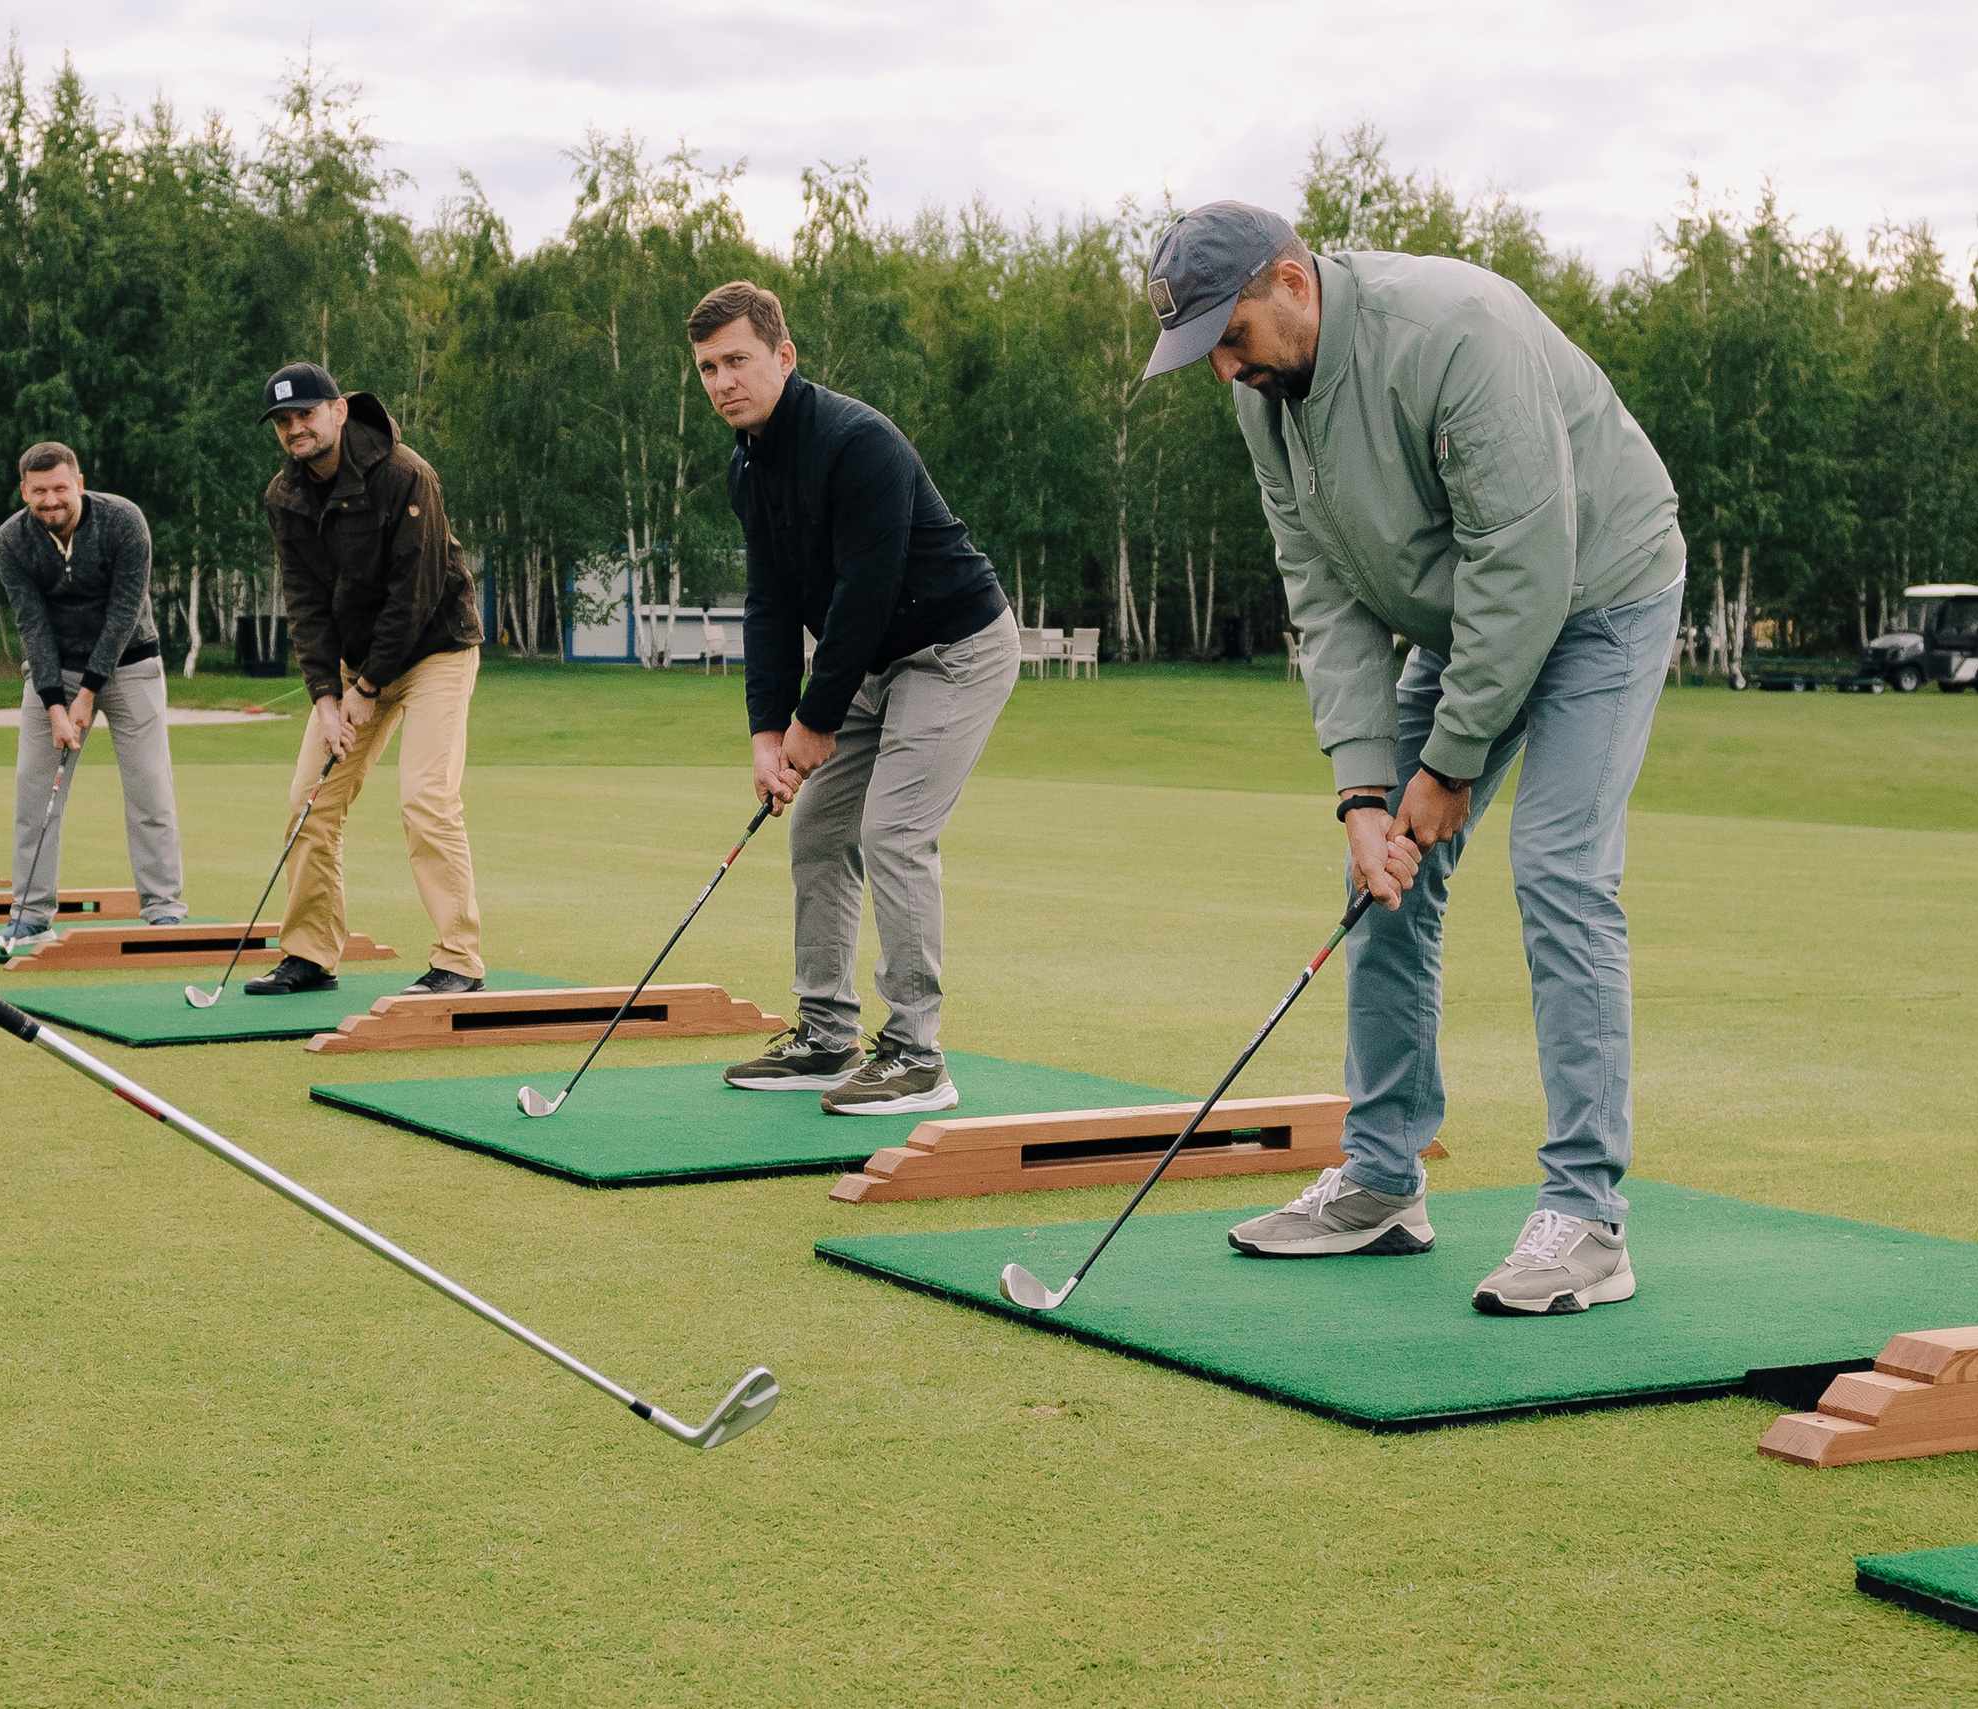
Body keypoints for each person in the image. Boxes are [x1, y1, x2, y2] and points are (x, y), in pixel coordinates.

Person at [1144, 203, 1687, 1316]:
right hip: (1468, 619)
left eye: (1231, 336)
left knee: (1560, 868)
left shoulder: (1454, 332)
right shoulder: (1268, 399)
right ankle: (1383, 1180)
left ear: (1292, 282)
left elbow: (1525, 564)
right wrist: (1362, 788)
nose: (1226, 370)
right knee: (1379, 868)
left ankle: (1586, 1218)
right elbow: (1324, 591)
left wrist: (1444, 766)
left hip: (1599, 591)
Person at [688, 280, 1020, 1115]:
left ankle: (916, 1056)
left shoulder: (856, 442)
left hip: (955, 650)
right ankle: (826, 1034)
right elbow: (770, 602)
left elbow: (863, 596)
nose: (722, 380)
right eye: (706, 368)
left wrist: (814, 722)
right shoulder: (749, 468)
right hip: (878, 662)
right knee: (820, 824)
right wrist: (769, 731)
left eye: (737, 359)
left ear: (783, 356)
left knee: (895, 831)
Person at [250, 362, 486, 998]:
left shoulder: (407, 474)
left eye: (305, 413)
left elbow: (416, 592)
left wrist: (365, 689)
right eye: (282, 420)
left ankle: (459, 960)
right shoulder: (285, 496)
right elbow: (303, 602)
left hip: (436, 648)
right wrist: (327, 698)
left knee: (425, 799)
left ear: (339, 411)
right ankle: (310, 955)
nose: (294, 428)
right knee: (310, 799)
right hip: (358, 666)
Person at [0, 442, 187, 953]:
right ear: (25, 491)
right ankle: (31, 915)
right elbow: (31, 625)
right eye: (39, 491)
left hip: (130, 663)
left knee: (150, 788)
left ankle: (164, 909)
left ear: (79, 483)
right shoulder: (12, 539)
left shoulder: (124, 520)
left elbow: (124, 612)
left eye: (61, 487)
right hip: (54, 669)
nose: (51, 500)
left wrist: (87, 694)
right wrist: (57, 703)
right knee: (35, 793)